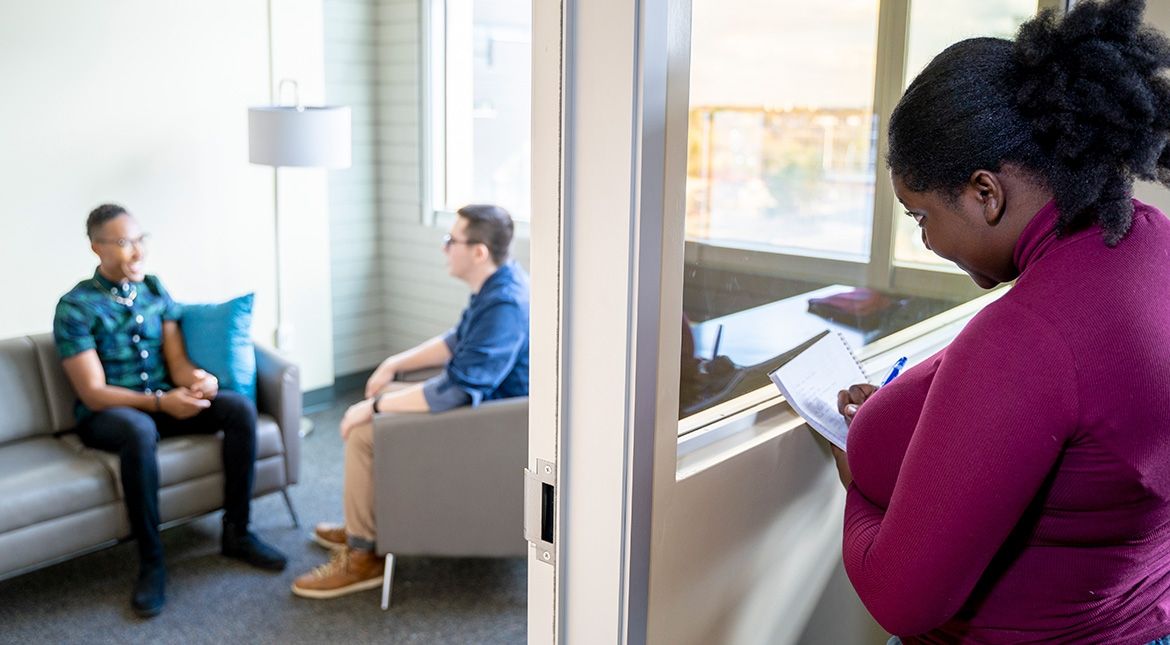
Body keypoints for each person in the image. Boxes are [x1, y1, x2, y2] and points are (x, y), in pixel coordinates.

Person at [830, 1, 1170, 642]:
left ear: (986, 194)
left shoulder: (1031, 337)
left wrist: (859, 480)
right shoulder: (1153, 247)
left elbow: (898, 599)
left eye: (922, 216)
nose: (927, 242)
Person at [54, 204, 287, 618]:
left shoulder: (154, 289)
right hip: (110, 414)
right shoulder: (76, 307)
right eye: (125, 243)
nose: (138, 252)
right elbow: (93, 392)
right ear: (97, 249)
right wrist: (162, 403)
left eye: (141, 240)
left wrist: (199, 379)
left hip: (160, 400)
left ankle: (237, 532)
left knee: (235, 407)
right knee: (139, 432)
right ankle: (152, 561)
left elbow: (176, 362)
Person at [291, 203, 529, 599]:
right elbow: (456, 341)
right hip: (483, 407)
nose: (444, 247)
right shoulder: (500, 284)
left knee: (366, 430)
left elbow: (457, 391)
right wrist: (393, 364)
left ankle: (364, 555)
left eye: (451, 240)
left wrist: (374, 407)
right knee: (381, 399)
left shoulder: (504, 305)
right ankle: (364, 526)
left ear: (478, 252)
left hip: (491, 426)